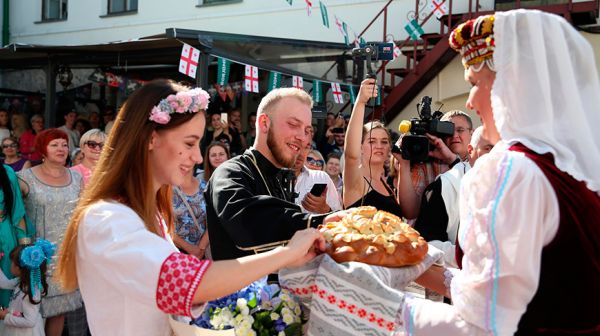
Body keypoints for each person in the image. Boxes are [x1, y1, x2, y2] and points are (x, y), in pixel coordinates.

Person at [54, 80, 325, 336]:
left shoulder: (147, 215)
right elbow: (190, 284)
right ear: (150, 138)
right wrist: (287, 253)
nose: (197, 157)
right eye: (189, 143)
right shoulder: (108, 219)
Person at [389, 10, 600, 335]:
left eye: (474, 84)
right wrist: (410, 261)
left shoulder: (511, 170)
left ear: (511, 85)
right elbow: (498, 293)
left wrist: (370, 301)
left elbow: (484, 323)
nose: (471, 101)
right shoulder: (574, 171)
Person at [206, 87, 327, 261]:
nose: (302, 137)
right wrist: (320, 222)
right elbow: (246, 222)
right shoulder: (230, 172)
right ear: (264, 123)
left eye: (307, 130)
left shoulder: (282, 178)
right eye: (293, 124)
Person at [18, 129, 85, 336]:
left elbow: (81, 214)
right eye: (54, 144)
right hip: (34, 257)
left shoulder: (77, 178)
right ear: (42, 150)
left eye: (64, 145)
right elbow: (15, 215)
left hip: (66, 255)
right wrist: (23, 246)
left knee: (58, 312)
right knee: (30, 312)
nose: (61, 149)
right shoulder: (24, 178)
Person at [413, 126, 492, 267]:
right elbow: (426, 242)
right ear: (470, 151)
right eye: (488, 148)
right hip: (452, 276)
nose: (495, 155)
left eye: (498, 149)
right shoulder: (445, 185)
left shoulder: (514, 184)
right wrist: (471, 256)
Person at [343, 80, 402, 217]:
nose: (379, 146)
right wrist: (361, 102)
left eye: (384, 141)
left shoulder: (387, 184)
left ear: (389, 148)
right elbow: (351, 156)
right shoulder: (356, 179)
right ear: (360, 147)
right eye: (371, 141)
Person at [0, 241, 53, 336]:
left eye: (12, 263)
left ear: (20, 268)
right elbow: (4, 283)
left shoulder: (29, 292)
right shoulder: (21, 282)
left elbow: (30, 321)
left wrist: (6, 317)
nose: (10, 265)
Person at [0, 164, 27, 308]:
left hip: (6, 239)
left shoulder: (6, 171)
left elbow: (17, 211)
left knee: (7, 292)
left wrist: (24, 247)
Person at [293, 143, 342, 215]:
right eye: (310, 160)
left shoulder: (321, 177)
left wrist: (325, 209)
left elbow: (338, 213)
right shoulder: (274, 176)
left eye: (319, 163)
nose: (314, 165)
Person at [172, 167, 210, 259]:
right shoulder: (167, 191)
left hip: (205, 250)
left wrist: (201, 248)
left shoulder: (205, 187)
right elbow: (164, 226)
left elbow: (213, 220)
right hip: (178, 252)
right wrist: (190, 249)